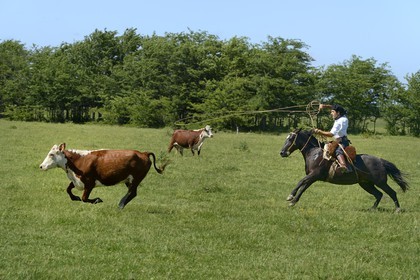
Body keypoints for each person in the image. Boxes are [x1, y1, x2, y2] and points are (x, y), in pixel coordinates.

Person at [313, 104, 351, 173]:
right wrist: (325, 106)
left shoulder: (341, 121)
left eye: (332, 112)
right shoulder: (341, 117)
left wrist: (319, 132)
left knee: (338, 152)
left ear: (338, 113)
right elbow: (335, 106)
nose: (331, 113)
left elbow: (331, 134)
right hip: (337, 141)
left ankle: (343, 166)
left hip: (343, 142)